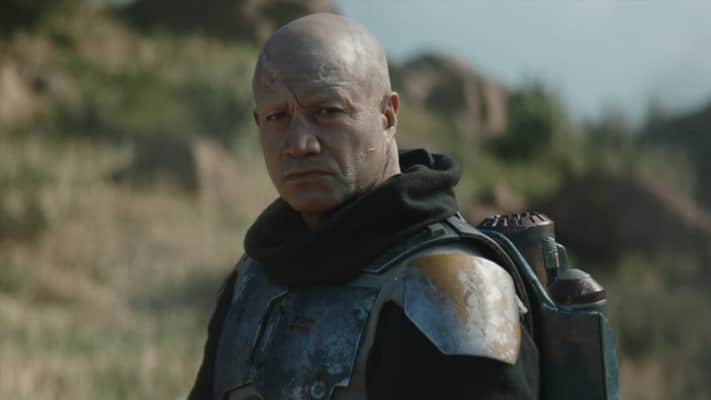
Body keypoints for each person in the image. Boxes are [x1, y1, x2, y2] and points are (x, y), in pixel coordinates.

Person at [188, 13, 539, 400]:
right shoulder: (253, 279)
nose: (300, 143)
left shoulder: (452, 289)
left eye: (328, 111)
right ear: (259, 123)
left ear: (387, 115)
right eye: (278, 117)